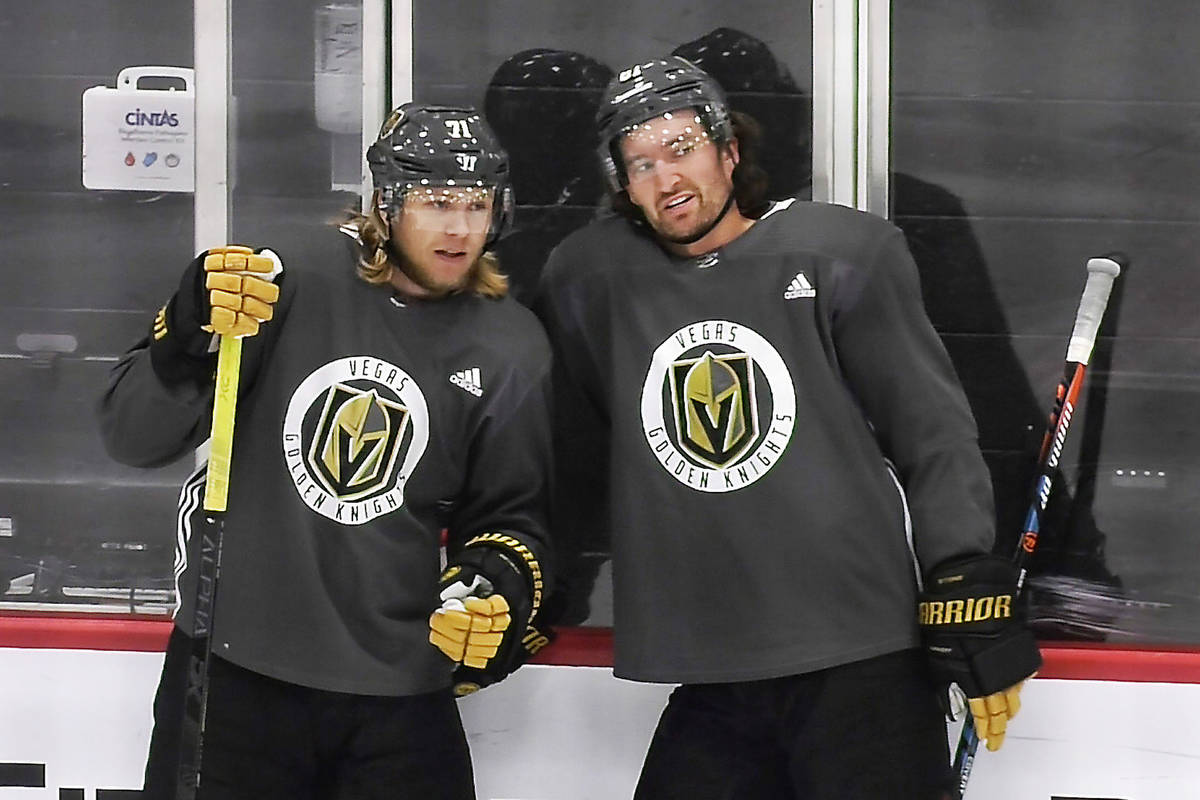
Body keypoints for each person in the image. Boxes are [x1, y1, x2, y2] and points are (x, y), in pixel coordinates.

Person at [535, 56, 1041, 799]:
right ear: (620, 185)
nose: (667, 179)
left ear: (729, 150)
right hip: (716, 670)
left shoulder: (842, 255)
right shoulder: (590, 280)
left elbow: (931, 434)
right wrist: (542, 576)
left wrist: (959, 570)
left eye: (682, 149)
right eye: (640, 163)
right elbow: (581, 447)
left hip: (862, 662)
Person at [98, 103, 552, 799]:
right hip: (232, 678)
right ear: (384, 203)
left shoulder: (509, 343)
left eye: (476, 204)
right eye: (435, 202)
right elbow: (131, 437)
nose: (460, 228)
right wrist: (188, 330)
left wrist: (493, 592)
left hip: (399, 696)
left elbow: (511, 516)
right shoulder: (282, 279)